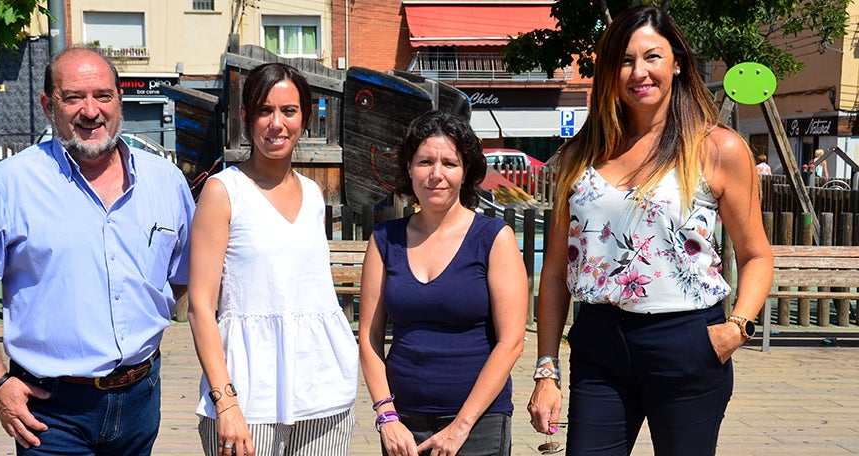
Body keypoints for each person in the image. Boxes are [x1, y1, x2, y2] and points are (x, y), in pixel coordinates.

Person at [526, 6, 773, 456]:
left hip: (688, 342)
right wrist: (547, 368)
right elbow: (557, 270)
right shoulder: (580, 155)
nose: (639, 71)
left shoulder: (717, 148)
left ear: (677, 62)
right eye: (624, 60)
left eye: (652, 57)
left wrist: (735, 329)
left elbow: (756, 254)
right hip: (598, 344)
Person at [0, 47, 195, 455]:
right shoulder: (8, 185)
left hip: (141, 399)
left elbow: (186, 279)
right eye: (73, 97)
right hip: (50, 412)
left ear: (118, 99)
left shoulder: (167, 183)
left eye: (103, 96)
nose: (91, 111)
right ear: (47, 105)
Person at [187, 62, 358, 456]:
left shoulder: (314, 195)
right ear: (246, 118)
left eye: (289, 111)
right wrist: (225, 402)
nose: (276, 123)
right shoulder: (223, 190)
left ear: (306, 118)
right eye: (265, 110)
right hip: (248, 395)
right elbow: (200, 307)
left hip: (323, 387)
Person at [358, 110, 528, 456]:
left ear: (465, 172)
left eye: (449, 163)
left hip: (478, 423)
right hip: (403, 425)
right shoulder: (385, 239)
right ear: (409, 168)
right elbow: (369, 337)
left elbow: (511, 341)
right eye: (424, 162)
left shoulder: (494, 238)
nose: (436, 175)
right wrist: (386, 415)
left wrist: (460, 427)